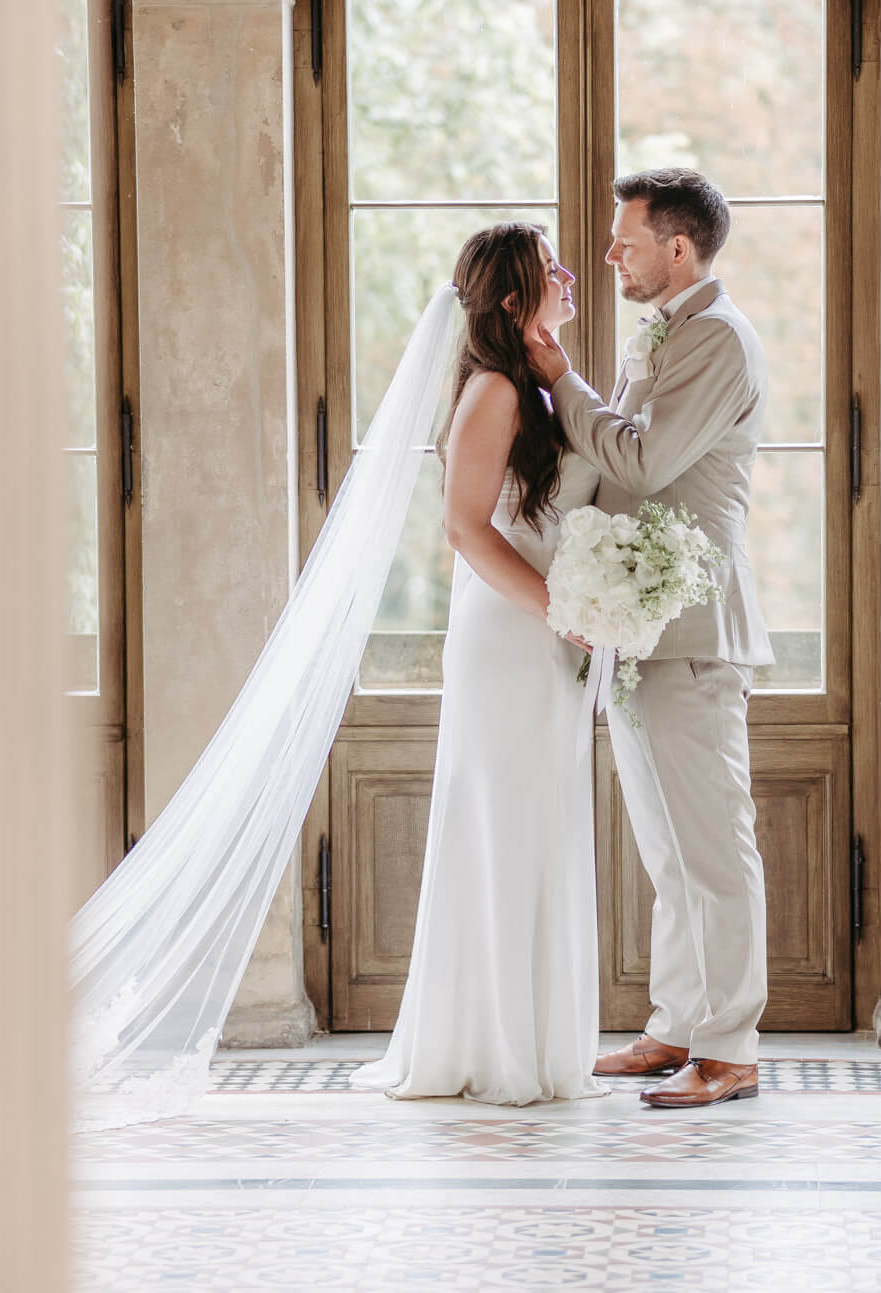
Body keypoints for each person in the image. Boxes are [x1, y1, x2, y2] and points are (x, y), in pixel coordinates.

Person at [526, 168, 774, 1110]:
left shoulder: (714, 337)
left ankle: (732, 1045)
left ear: (679, 247)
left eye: (624, 241)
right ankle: (677, 1025)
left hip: (695, 626)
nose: (608, 255)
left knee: (714, 847)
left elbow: (640, 456)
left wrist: (557, 376)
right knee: (668, 851)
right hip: (639, 624)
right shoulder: (666, 331)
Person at [350, 224, 607, 1105]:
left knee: (540, 828)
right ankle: (492, 1045)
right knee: (504, 829)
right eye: (549, 269)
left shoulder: (531, 386)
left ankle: (531, 1040)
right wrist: (563, 611)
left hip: (544, 637)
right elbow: (465, 530)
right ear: (512, 299)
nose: (569, 274)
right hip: (510, 640)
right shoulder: (491, 392)